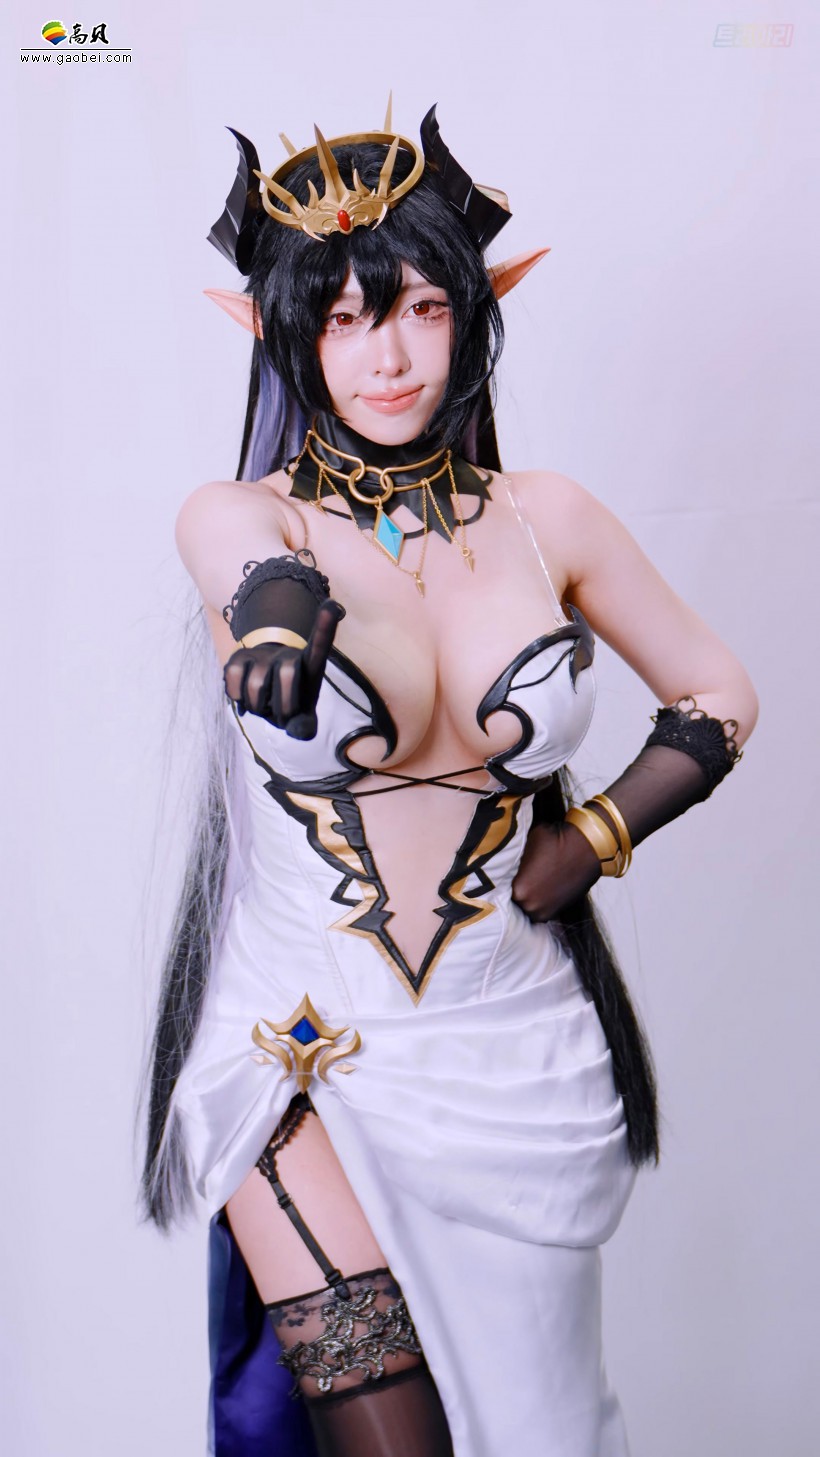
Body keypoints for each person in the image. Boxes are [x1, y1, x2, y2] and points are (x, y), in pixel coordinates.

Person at [141, 102, 758, 1457]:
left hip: (518, 1054)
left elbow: (719, 692)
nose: (389, 354)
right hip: (300, 1050)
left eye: (422, 308)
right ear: (286, 334)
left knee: (547, 1437)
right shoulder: (243, 516)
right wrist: (279, 625)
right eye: (346, 319)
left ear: (473, 314)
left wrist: (589, 841)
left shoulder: (548, 519)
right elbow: (255, 572)